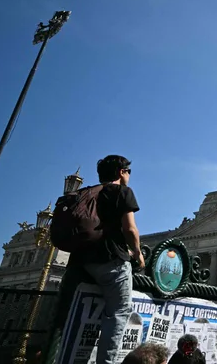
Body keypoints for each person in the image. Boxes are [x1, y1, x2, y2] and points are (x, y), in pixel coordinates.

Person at [66, 155, 144, 364]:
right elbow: (129, 229)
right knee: (119, 313)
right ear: (121, 172)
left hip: (81, 261)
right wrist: (137, 252)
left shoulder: (87, 194)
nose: (128, 176)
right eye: (128, 172)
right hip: (110, 260)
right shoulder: (122, 192)